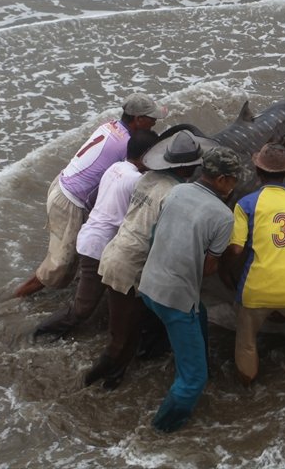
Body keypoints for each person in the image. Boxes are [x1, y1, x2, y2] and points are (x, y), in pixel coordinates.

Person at [88, 129, 218, 389]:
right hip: (131, 266)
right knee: (121, 337)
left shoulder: (146, 178)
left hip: (115, 252)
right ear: (189, 167)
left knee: (130, 328)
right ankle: (93, 382)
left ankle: (115, 374)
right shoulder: (176, 194)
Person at [13, 93, 162, 298]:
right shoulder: (126, 145)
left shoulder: (111, 126)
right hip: (70, 200)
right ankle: (15, 298)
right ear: (138, 119)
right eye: (151, 118)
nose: (155, 122)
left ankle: (70, 286)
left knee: (72, 254)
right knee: (58, 266)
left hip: (62, 184)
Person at [138, 146, 243, 433]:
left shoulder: (176, 191)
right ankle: (159, 432)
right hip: (175, 299)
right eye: (233, 180)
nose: (234, 185)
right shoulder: (224, 217)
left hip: (147, 285)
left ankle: (194, 358)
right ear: (222, 180)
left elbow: (155, 234)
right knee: (194, 381)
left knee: (200, 314)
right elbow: (209, 269)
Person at [32, 129, 160, 340]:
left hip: (89, 235)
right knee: (83, 309)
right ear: (146, 155)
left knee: (101, 290)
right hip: (98, 247)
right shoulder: (137, 181)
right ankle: (40, 332)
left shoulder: (115, 167)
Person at [224, 144, 285, 386]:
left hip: (255, 291)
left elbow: (236, 248)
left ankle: (247, 378)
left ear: (257, 171)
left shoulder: (245, 204)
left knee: (246, 339)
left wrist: (225, 268)